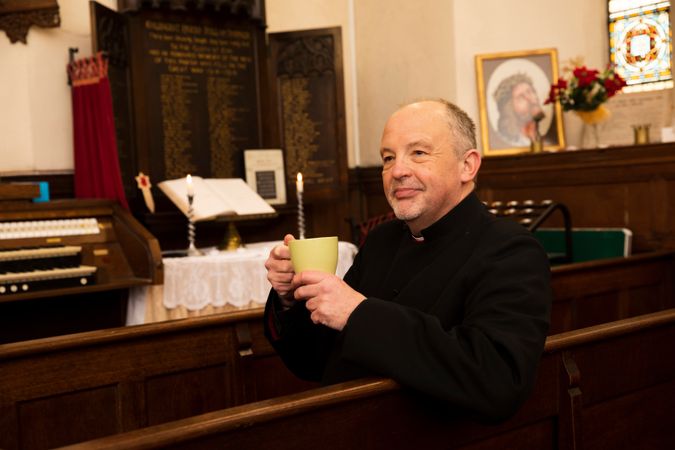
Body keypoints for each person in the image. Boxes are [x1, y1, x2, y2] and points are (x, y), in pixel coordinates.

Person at [264, 99, 551, 422]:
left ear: (467, 166)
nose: (397, 171)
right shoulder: (382, 241)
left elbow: (497, 380)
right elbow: (314, 361)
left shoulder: (511, 251)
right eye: (388, 158)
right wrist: (290, 298)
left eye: (418, 153)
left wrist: (358, 313)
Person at [493, 73, 545, 147]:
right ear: (508, 109)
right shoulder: (506, 142)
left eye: (530, 91)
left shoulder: (545, 139)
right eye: (521, 97)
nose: (530, 99)